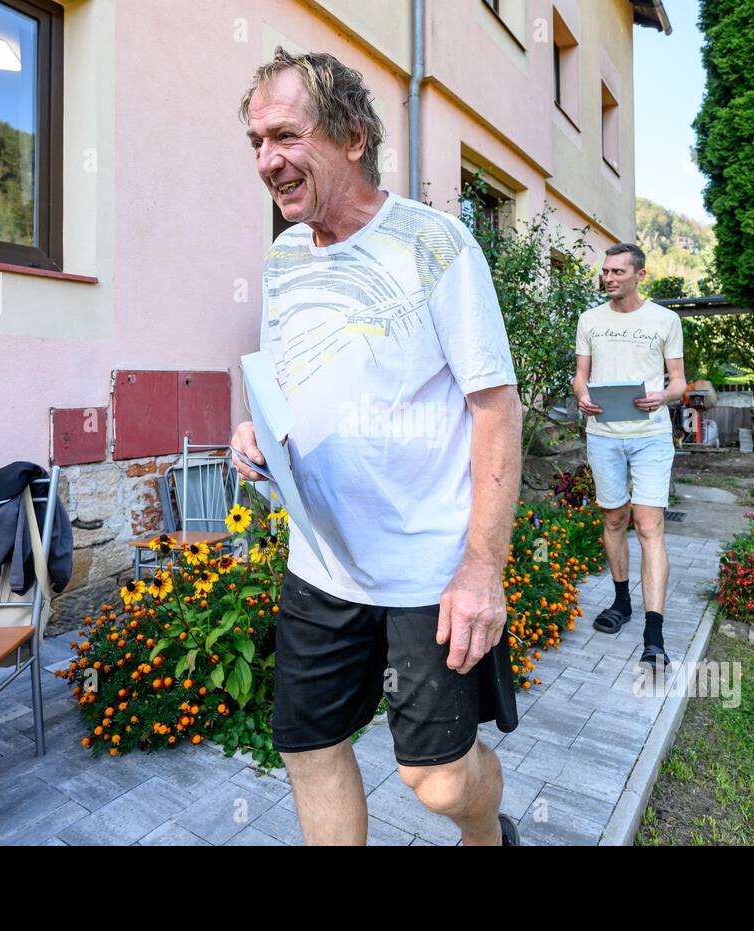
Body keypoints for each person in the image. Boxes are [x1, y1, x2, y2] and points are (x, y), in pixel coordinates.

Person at [231, 48, 524, 846]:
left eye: (285, 135)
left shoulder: (436, 246)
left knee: (437, 780)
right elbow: (296, 385)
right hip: (319, 565)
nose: (267, 161)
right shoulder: (284, 258)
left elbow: (496, 407)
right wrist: (256, 429)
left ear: (353, 135)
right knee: (308, 746)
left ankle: (490, 830)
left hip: (426, 570)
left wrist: (481, 567)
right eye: (256, 142)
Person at [572, 243, 685, 670]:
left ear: (640, 275)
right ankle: (622, 603)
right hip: (603, 435)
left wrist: (662, 396)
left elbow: (679, 383)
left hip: (651, 436)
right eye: (605, 271)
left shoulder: (665, 320)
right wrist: (582, 397)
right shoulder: (589, 320)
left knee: (649, 525)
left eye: (618, 271)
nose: (609, 278)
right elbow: (580, 378)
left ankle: (653, 633)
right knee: (614, 519)